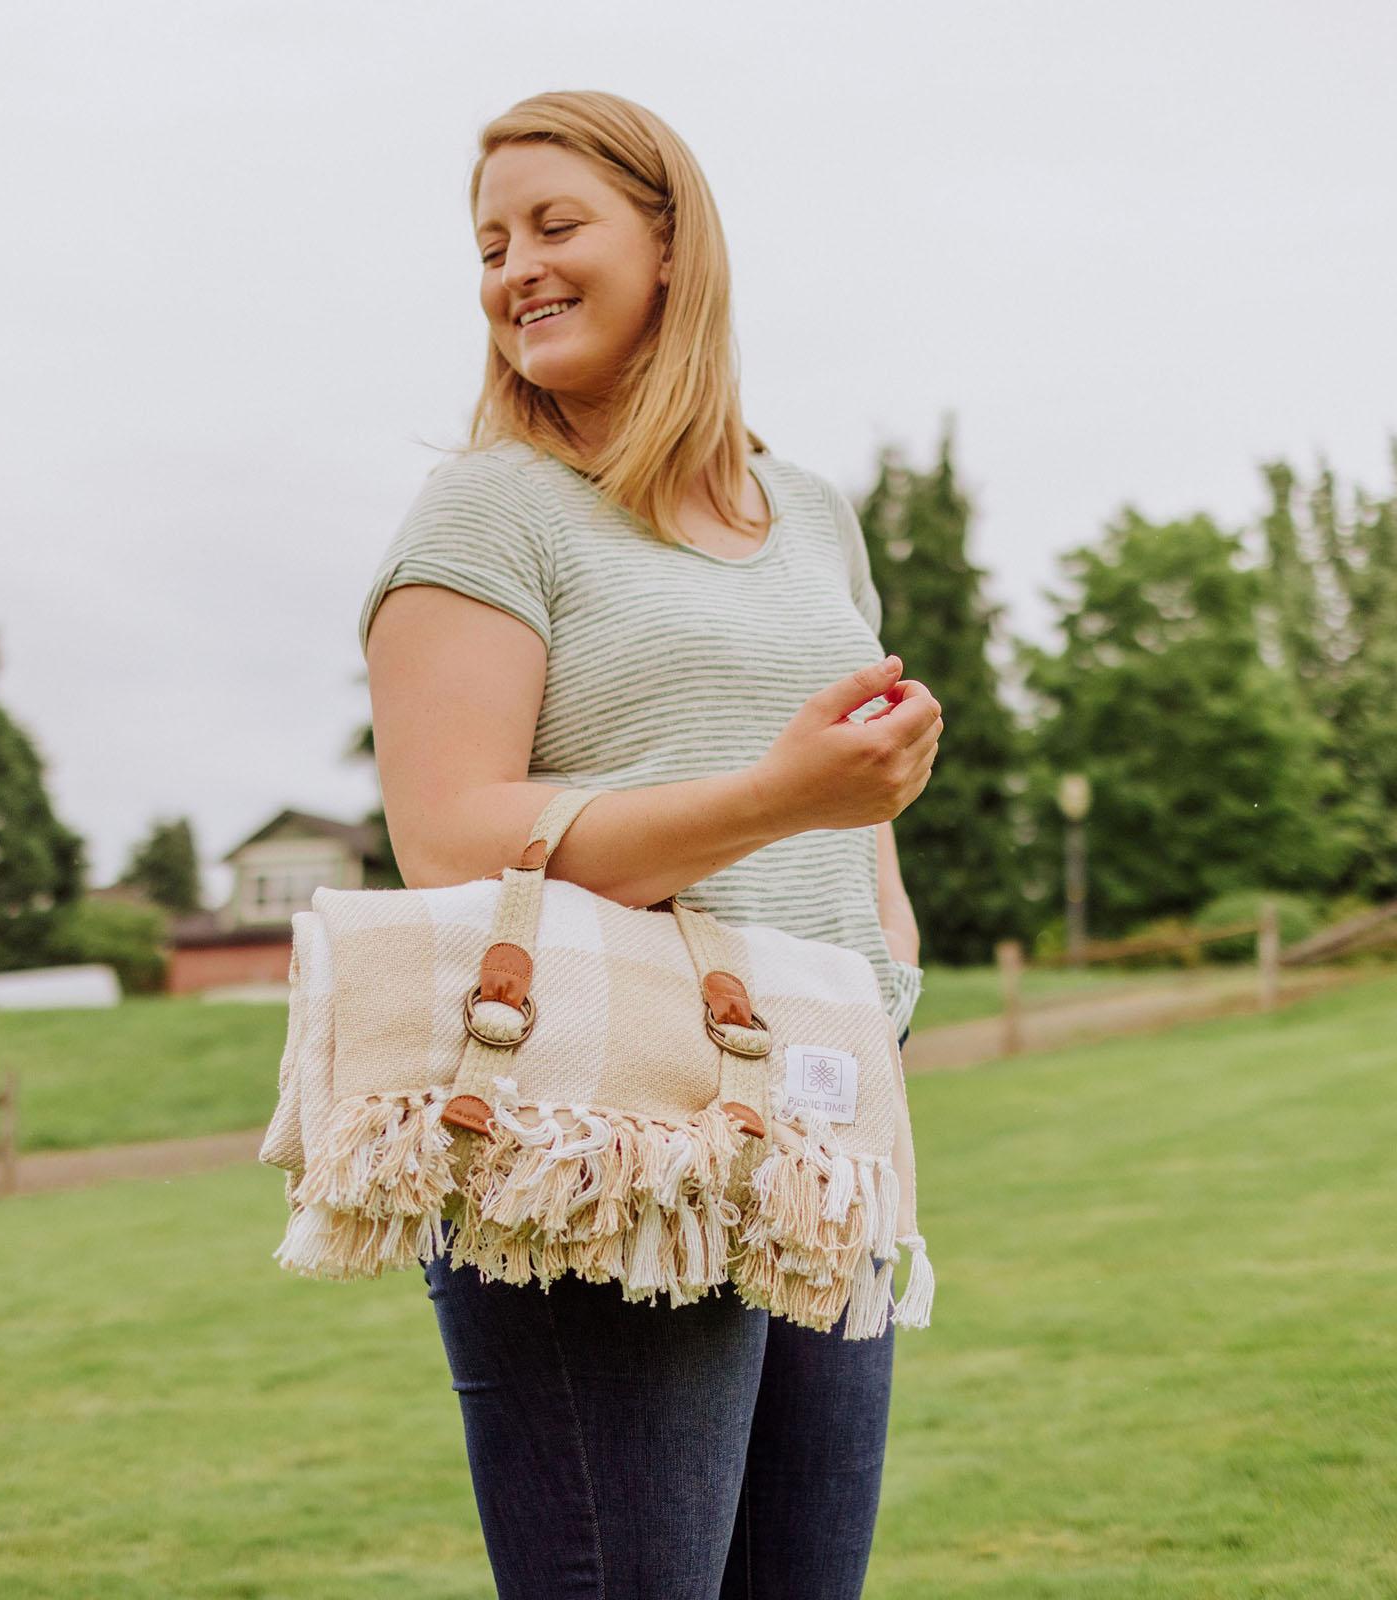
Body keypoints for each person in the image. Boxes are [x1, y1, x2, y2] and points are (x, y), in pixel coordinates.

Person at [360, 90, 943, 1600]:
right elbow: (448, 841)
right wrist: (782, 798)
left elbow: (848, 794)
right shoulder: (491, 508)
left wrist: (886, 928)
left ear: (672, 244)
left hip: (818, 1132)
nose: (515, 270)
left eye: (558, 225)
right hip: (609, 1138)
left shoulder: (809, 511)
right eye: (492, 244)